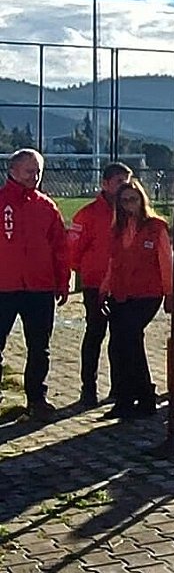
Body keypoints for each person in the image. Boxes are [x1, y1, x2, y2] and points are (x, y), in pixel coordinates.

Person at [0, 149, 69, 420]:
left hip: (39, 288)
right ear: (13, 171)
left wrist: (62, 282)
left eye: (38, 171)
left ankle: (37, 399)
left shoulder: (46, 206)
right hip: (4, 287)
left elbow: (60, 248)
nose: (35, 176)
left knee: (39, 346)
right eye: (29, 171)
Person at [100, 179, 172, 420]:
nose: (129, 205)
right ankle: (128, 397)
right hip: (121, 292)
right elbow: (112, 262)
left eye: (133, 199)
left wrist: (170, 293)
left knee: (130, 339)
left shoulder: (156, 227)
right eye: (124, 201)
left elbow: (165, 262)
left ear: (142, 199)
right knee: (122, 344)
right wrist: (104, 289)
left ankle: (143, 396)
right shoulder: (117, 229)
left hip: (147, 293)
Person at [67, 161, 134, 407]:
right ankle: (88, 388)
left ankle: (119, 388)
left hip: (126, 285)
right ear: (105, 184)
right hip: (96, 284)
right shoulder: (88, 214)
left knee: (122, 337)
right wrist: (84, 273)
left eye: (127, 181)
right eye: (119, 182)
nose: (124, 187)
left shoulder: (133, 212)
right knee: (95, 334)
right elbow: (74, 250)